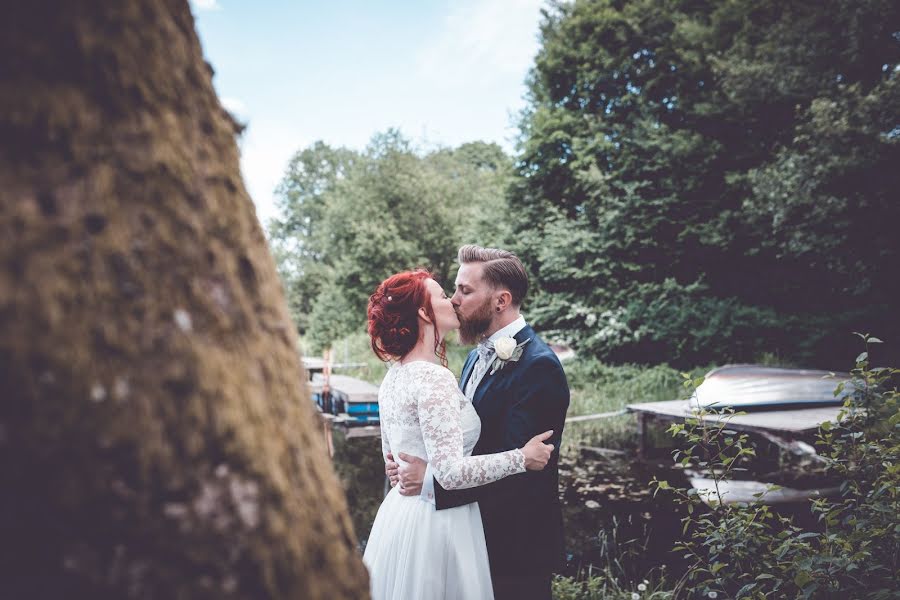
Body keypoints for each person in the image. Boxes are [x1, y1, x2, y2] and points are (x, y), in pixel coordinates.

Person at [386, 245, 570, 600]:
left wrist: (429, 482)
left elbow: (525, 468)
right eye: (453, 290)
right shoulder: (473, 357)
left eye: (464, 291)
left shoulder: (539, 366)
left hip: (514, 548)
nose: (454, 300)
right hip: (465, 534)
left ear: (500, 301)